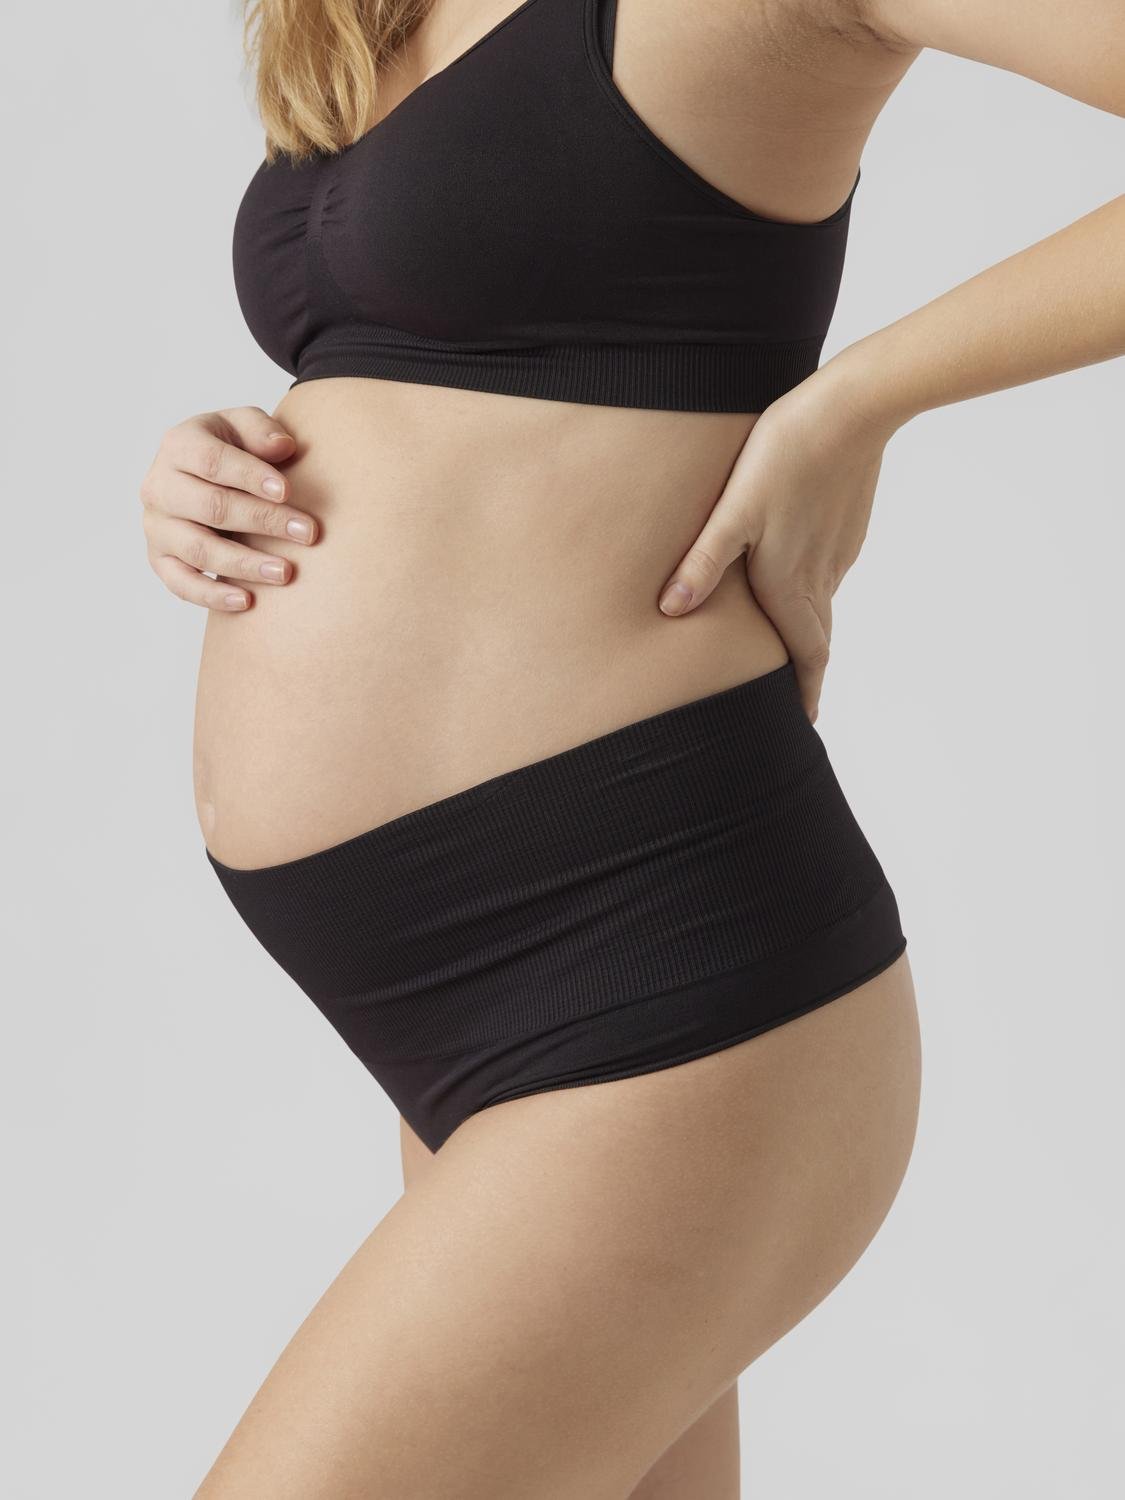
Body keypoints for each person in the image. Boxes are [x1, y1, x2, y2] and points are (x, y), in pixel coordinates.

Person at [138, 2, 1125, 1495]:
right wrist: (213, 475)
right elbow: (427, 384)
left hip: (651, 975)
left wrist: (861, 399)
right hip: (452, 1009)